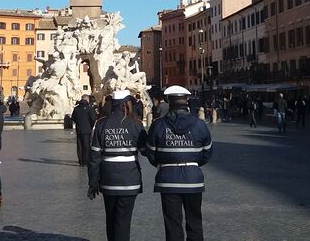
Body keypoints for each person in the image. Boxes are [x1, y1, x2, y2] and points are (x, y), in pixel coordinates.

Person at [146, 85, 212, 241]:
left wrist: (163, 164)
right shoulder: (199, 125)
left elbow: (151, 152)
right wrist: (192, 163)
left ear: (169, 102)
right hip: (193, 179)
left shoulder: (158, 125)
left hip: (168, 179)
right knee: (195, 223)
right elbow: (207, 152)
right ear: (187, 101)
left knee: (173, 225)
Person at [88, 90, 147, 241]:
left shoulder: (101, 124)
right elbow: (146, 150)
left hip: (108, 178)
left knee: (111, 217)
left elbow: (94, 157)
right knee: (123, 220)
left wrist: (93, 183)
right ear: (127, 104)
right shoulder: (136, 124)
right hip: (130, 178)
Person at [71, 95, 96, 167]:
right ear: (87, 100)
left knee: (79, 146)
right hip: (87, 130)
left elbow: (73, 118)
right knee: (86, 146)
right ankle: (86, 161)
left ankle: (80, 161)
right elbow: (93, 119)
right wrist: (91, 126)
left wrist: (78, 123)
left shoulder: (76, 109)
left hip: (79, 129)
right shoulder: (89, 108)